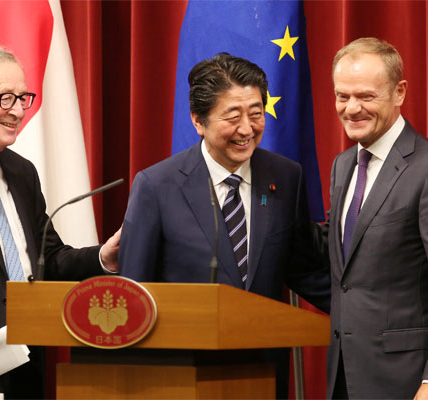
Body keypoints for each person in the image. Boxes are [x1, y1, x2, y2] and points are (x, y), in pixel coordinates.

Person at [118, 53, 331, 398]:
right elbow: (135, 293)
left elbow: (302, 267)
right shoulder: (157, 186)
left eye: (256, 114)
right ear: (198, 121)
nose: (247, 129)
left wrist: (364, 312)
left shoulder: (285, 177)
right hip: (182, 379)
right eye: (233, 117)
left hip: (264, 374)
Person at [0, 46, 121, 399]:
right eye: (6, 98)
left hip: (26, 367)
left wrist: (103, 258)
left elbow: (49, 260)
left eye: (23, 98)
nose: (18, 111)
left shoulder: (21, 172)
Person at [316, 37, 428, 399]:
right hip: (345, 378)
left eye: (365, 96)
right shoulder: (343, 165)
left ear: (399, 92)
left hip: (411, 384)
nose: (351, 108)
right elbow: (342, 263)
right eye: (342, 96)